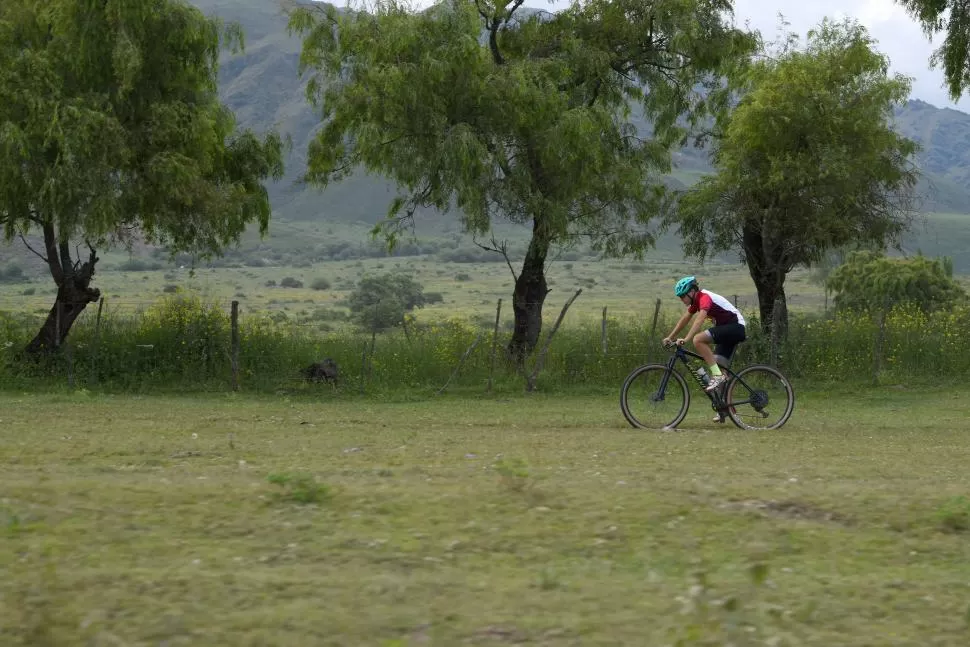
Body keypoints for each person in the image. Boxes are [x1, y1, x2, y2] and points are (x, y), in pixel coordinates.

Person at [662, 276, 746, 394]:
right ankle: (725, 404)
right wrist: (670, 337)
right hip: (727, 330)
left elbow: (700, 319)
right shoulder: (696, 302)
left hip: (736, 327)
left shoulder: (704, 297)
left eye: (683, 296)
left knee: (698, 339)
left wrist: (687, 339)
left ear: (692, 291)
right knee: (718, 364)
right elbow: (685, 319)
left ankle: (717, 375)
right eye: (680, 297)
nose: (681, 299)